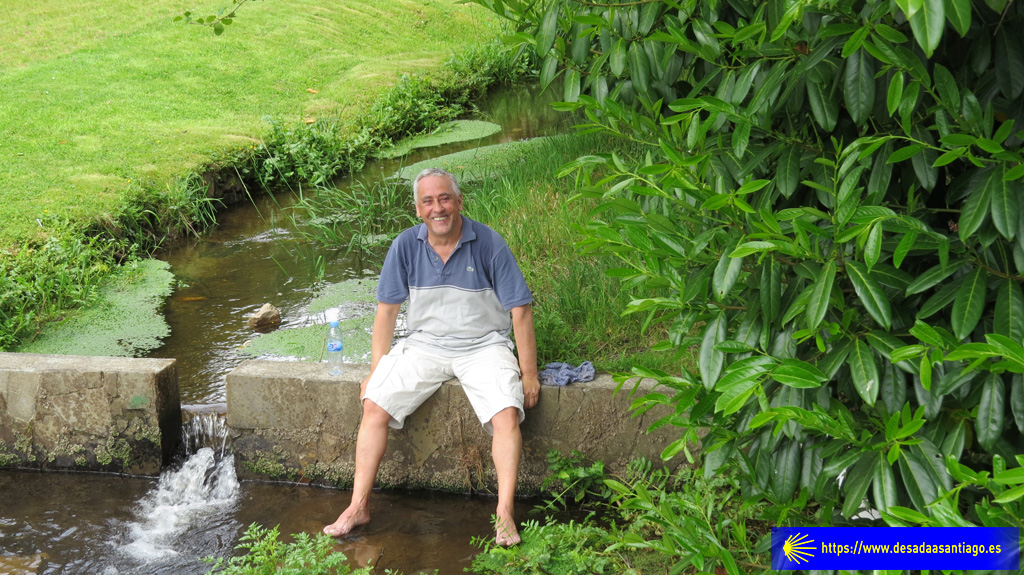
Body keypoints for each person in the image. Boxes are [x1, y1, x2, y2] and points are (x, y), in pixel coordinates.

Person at [323, 168, 540, 546]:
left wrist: (529, 374)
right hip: (424, 345)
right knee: (374, 402)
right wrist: (377, 369)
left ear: (458, 202)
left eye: (444, 199)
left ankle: (504, 512)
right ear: (417, 209)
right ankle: (358, 506)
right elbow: (386, 311)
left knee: (507, 412)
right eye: (428, 201)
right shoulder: (405, 245)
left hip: (484, 345)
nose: (437, 208)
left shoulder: (489, 243)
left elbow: (520, 310)